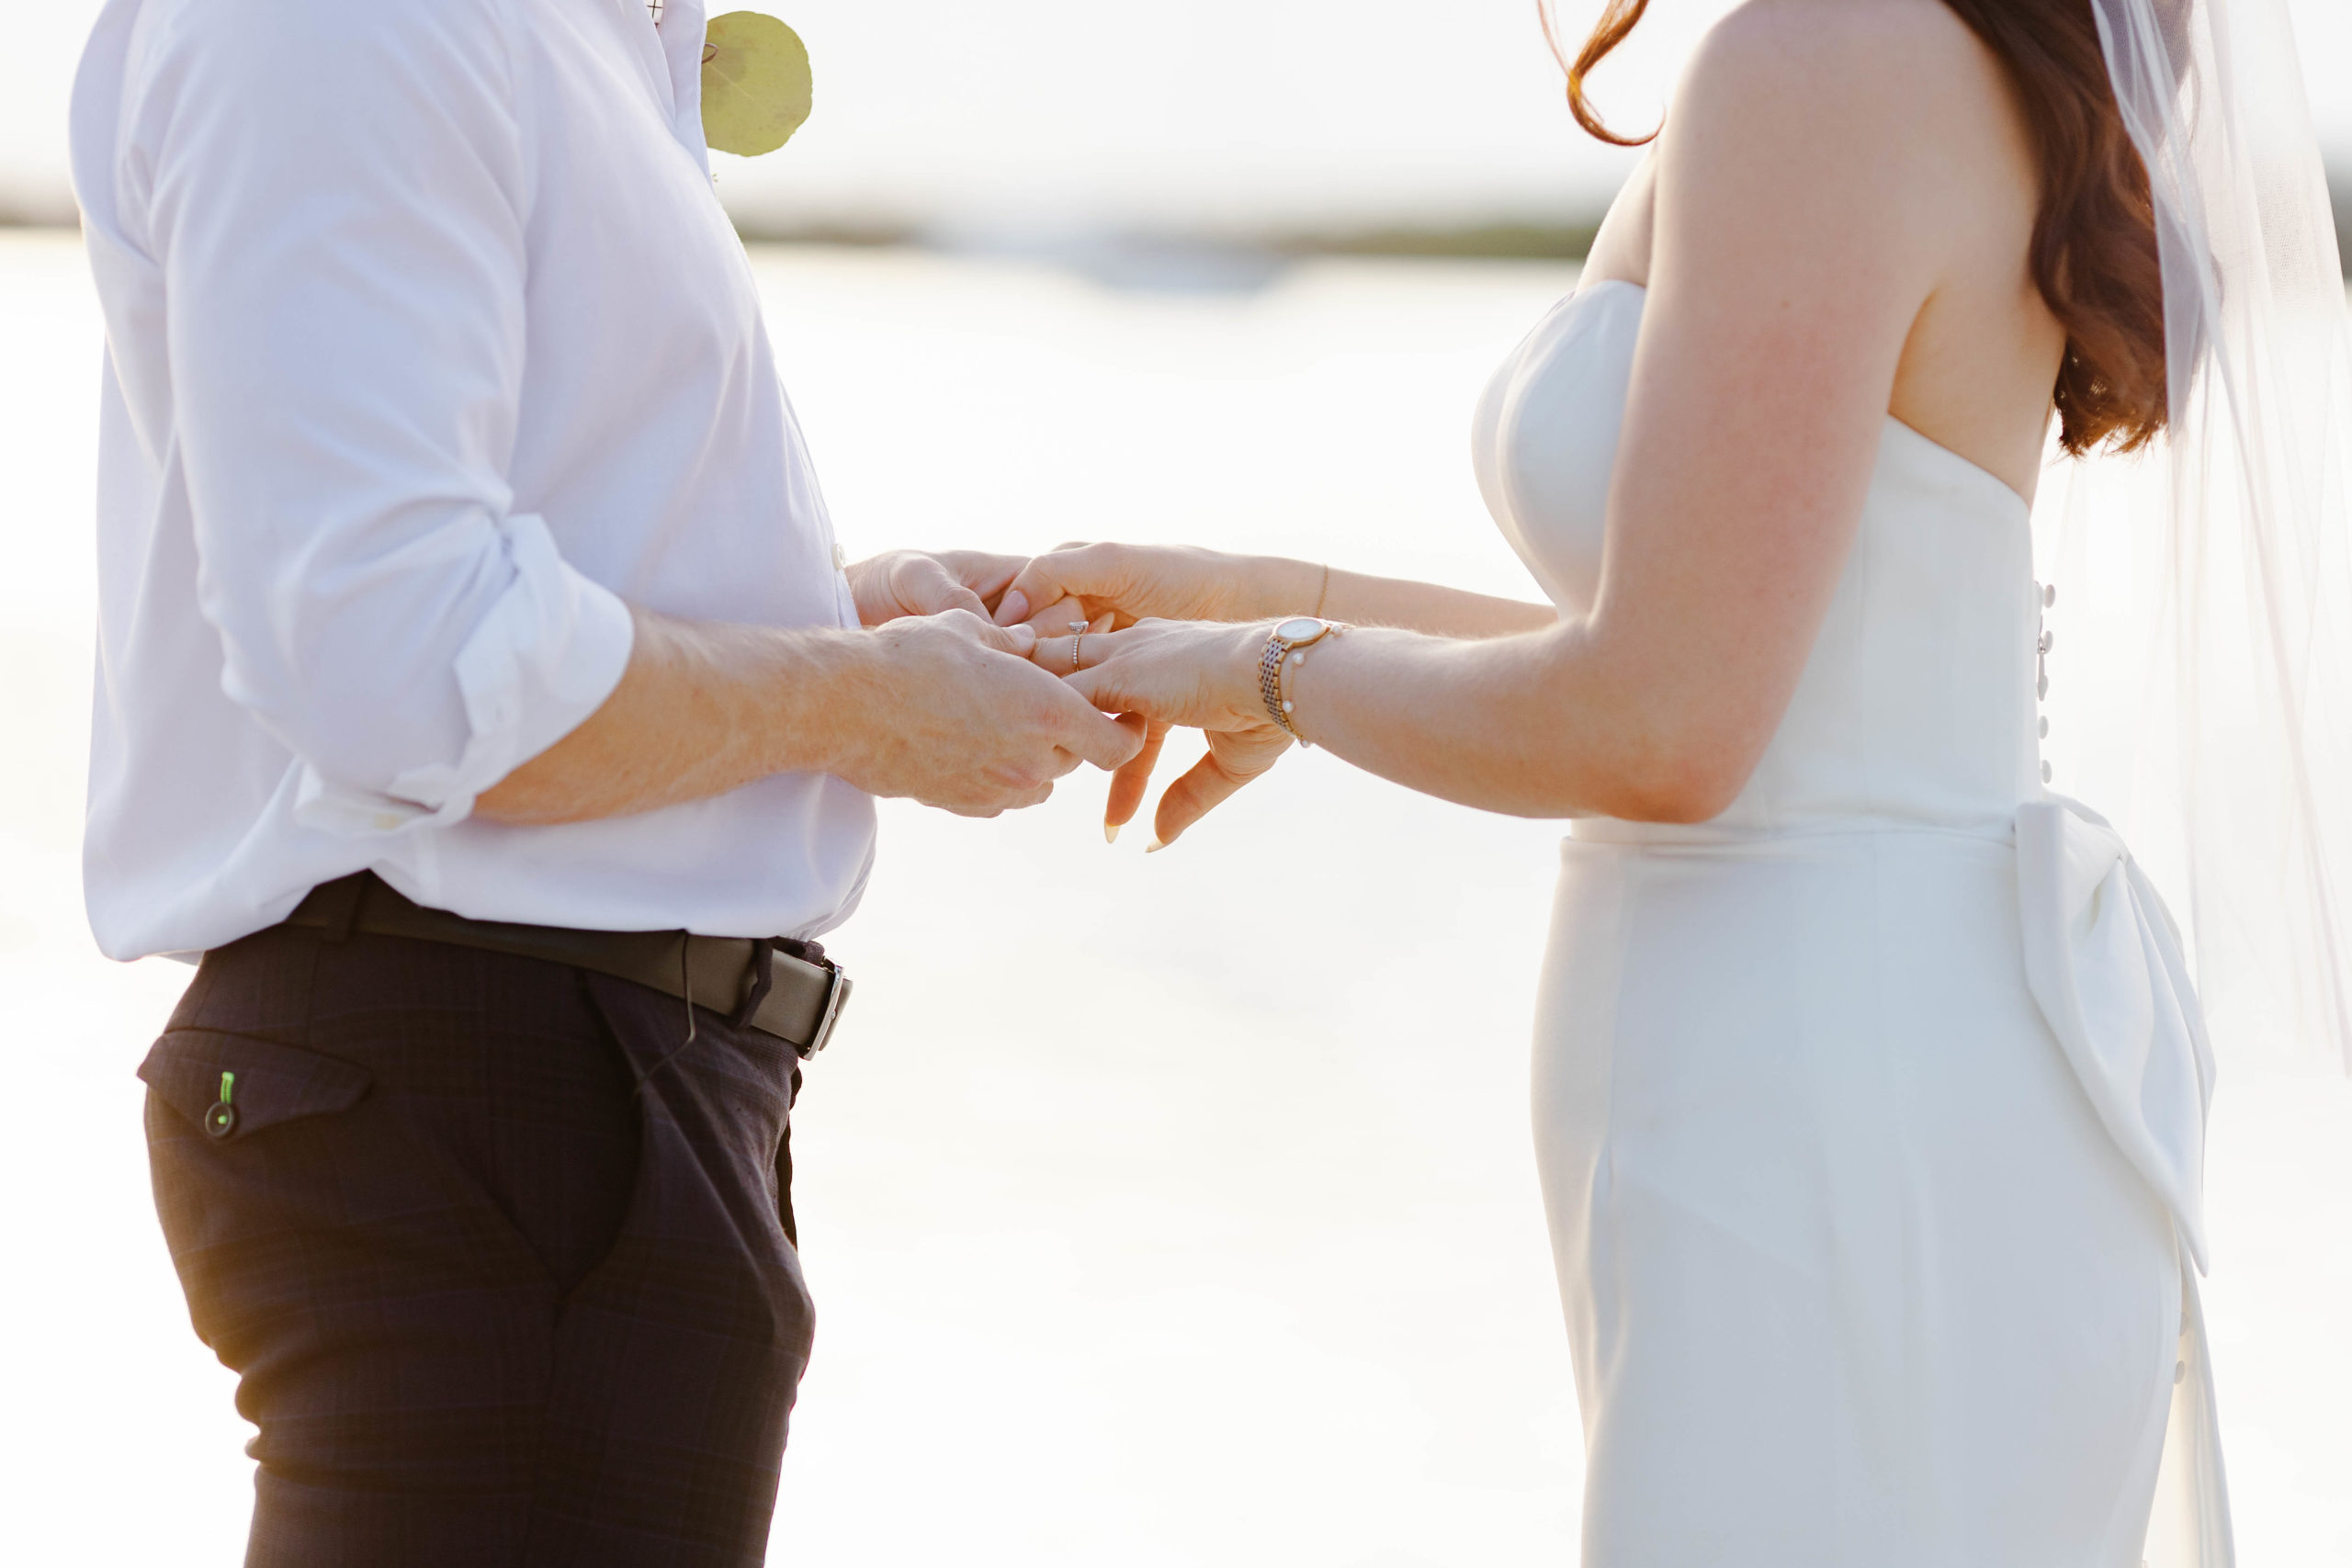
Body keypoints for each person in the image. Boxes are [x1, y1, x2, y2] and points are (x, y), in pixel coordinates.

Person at [997, 0, 2352, 1560]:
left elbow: (1668, 727)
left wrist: (1270, 672)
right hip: (1882, 1049)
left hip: (1817, 1095)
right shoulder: (1925, 58)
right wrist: (1259, 603)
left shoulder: (1828, 59)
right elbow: (1757, 673)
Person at [69, 0, 1139, 1562]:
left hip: (564, 1098)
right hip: (492, 1088)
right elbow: (400, 662)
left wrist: (829, 620)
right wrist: (861, 707)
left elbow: (493, 582)